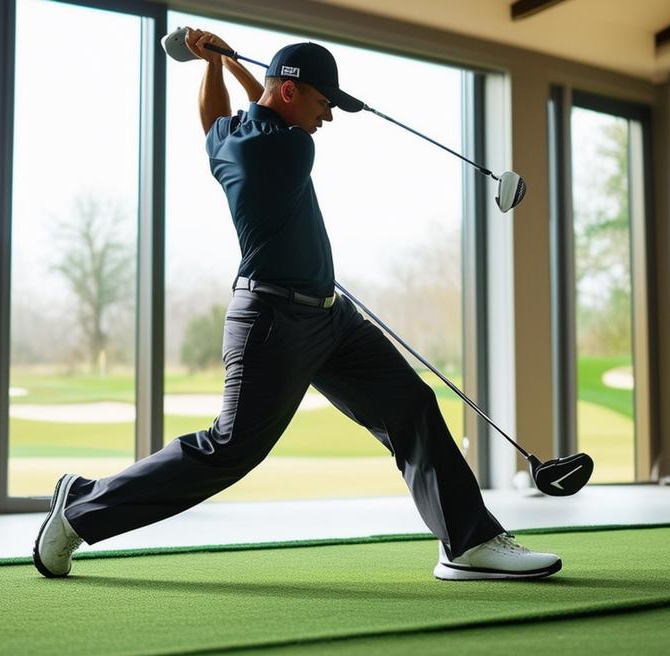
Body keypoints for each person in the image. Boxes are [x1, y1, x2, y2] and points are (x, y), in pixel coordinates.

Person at [33, 28, 561, 581]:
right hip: (274, 323)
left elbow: (224, 118)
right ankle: (78, 513)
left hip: (331, 317)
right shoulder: (287, 148)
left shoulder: (235, 140)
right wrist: (230, 66)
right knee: (229, 450)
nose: (327, 117)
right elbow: (256, 110)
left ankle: (469, 543)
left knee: (411, 404)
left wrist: (217, 64)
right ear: (290, 93)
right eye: (322, 101)